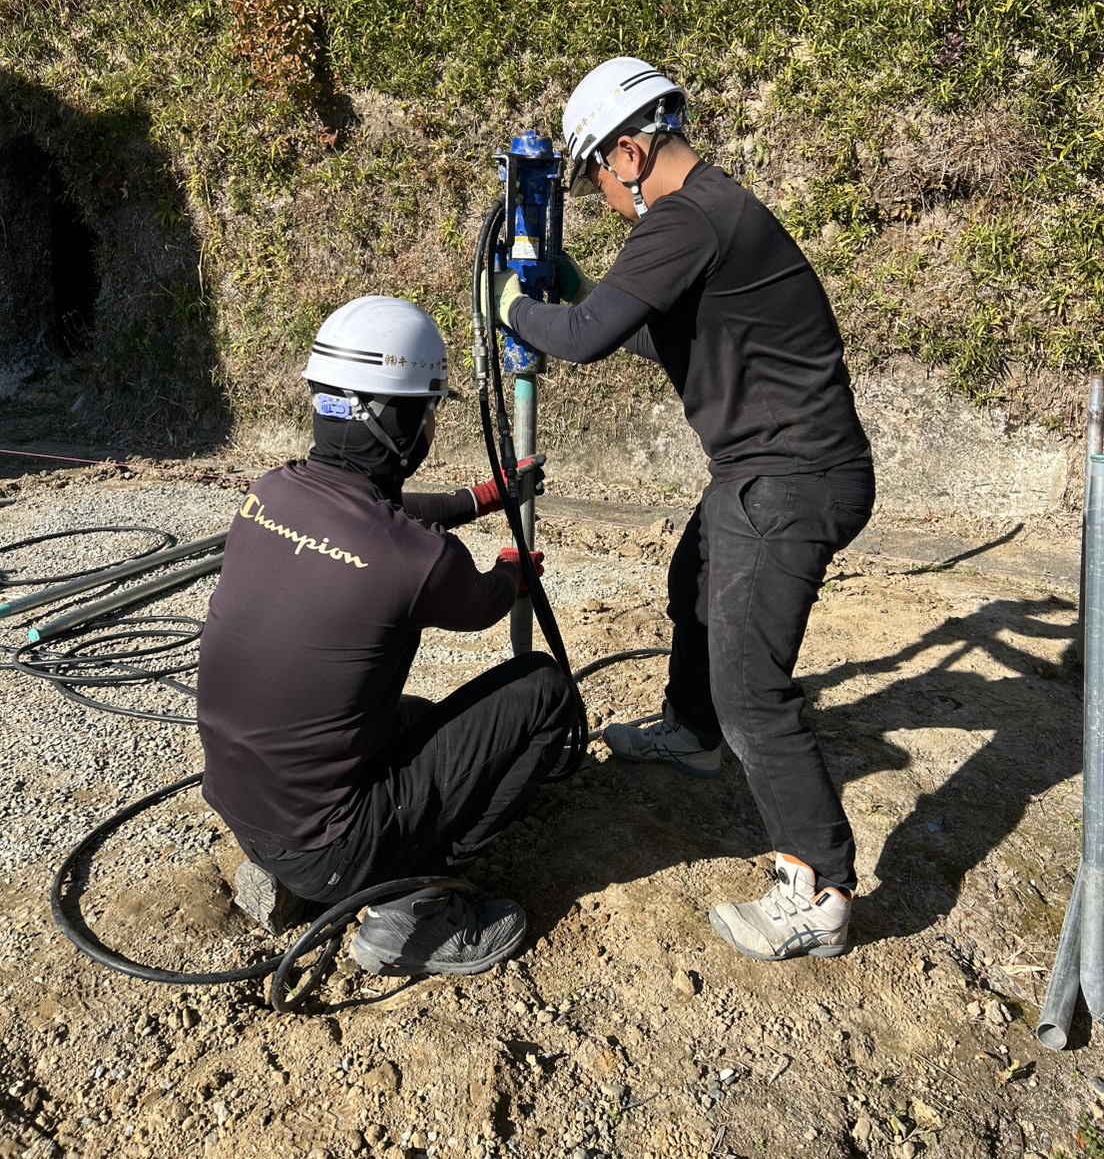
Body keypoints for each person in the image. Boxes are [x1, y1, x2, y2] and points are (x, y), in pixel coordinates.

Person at [492, 57, 875, 961]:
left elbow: (586, 341)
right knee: (692, 580)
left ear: (628, 154)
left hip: (790, 477)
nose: (603, 197)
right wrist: (579, 290)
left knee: (754, 690)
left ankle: (818, 889)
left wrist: (513, 307)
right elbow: (651, 331)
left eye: (596, 179)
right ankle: (693, 735)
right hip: (769, 464)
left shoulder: (684, 217)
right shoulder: (706, 213)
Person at [196, 295, 575, 977]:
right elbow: (485, 599)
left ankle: (296, 875)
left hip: (246, 808)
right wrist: (512, 571)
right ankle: (411, 907)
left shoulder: (269, 493)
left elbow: (373, 511)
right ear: (393, 420)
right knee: (543, 690)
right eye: (426, 411)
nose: (429, 425)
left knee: (421, 720)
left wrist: (481, 498)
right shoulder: (419, 560)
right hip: (333, 847)